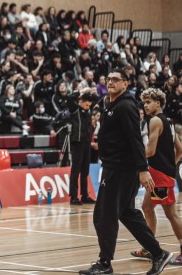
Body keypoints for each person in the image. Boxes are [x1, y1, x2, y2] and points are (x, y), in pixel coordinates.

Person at [80, 69, 172, 275]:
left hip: (122, 169)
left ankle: (105, 263)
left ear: (125, 84)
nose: (110, 82)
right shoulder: (111, 103)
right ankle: (158, 254)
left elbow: (135, 140)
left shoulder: (126, 106)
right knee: (126, 213)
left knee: (104, 215)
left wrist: (142, 169)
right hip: (115, 168)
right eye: (108, 79)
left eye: (115, 79)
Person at [130, 88, 182, 265]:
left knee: (171, 214)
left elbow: (150, 151)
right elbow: (180, 150)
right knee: (147, 207)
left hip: (159, 175)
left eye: (148, 102)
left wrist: (131, 157)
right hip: (162, 174)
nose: (145, 106)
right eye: (144, 102)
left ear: (158, 103)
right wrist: (170, 168)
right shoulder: (169, 122)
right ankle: (150, 247)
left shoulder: (154, 121)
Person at [68, 90, 96, 206]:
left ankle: (85, 195)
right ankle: (73, 196)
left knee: (85, 171)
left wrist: (91, 92)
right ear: (80, 102)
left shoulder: (88, 111)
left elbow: (97, 99)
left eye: (89, 105)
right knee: (76, 170)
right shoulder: (75, 109)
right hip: (77, 143)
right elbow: (70, 98)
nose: (87, 107)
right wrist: (80, 91)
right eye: (86, 104)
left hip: (86, 143)